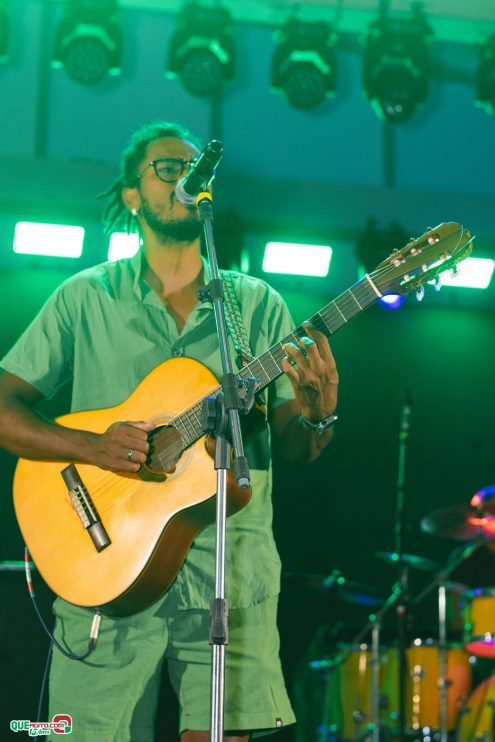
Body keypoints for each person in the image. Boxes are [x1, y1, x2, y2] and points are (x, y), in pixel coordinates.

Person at [0, 121, 339, 741]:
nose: (185, 177)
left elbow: (297, 444)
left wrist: (318, 414)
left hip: (231, 575)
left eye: (194, 168)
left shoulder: (257, 306)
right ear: (133, 194)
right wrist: (91, 446)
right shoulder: (84, 297)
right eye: (166, 168)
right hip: (106, 563)